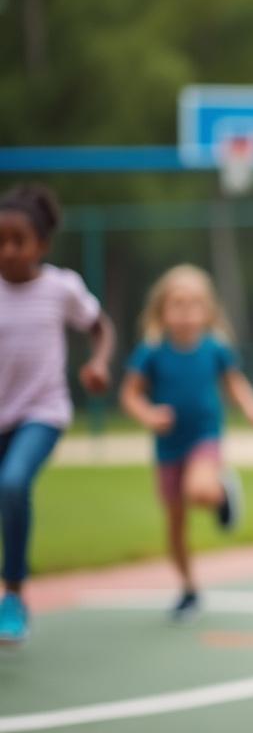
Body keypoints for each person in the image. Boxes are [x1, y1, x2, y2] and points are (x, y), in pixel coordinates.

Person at [120, 264, 253, 622]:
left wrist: (250, 405)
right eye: (177, 304)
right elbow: (130, 395)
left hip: (205, 436)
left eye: (194, 304)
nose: (186, 312)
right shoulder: (152, 352)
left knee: (199, 490)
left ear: (207, 311)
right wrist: (148, 415)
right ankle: (188, 588)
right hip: (168, 445)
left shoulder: (215, 349)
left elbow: (234, 383)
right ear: (162, 310)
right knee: (175, 525)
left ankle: (220, 491)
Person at [0, 183, 116, 645]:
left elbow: (100, 326)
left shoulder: (60, 288)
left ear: (42, 245)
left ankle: (13, 595)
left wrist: (99, 363)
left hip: (42, 412)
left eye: (18, 241)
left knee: (12, 484)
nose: (7, 250)